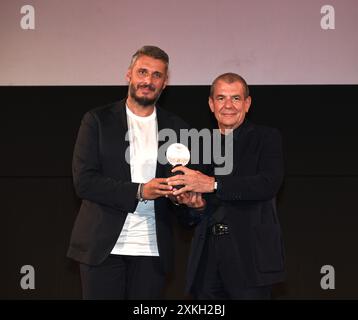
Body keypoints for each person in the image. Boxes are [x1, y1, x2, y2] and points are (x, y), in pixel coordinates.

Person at [67, 45, 192, 299]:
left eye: (156, 75)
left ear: (165, 82)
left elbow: (180, 183)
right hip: (102, 246)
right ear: (129, 75)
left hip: (152, 250)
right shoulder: (97, 120)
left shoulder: (178, 127)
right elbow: (84, 181)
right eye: (142, 72)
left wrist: (185, 199)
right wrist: (139, 191)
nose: (148, 80)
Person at [167, 73, 285, 299]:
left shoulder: (266, 138)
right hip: (206, 258)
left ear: (247, 104)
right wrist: (193, 205)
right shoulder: (199, 145)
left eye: (236, 98)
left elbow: (267, 184)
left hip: (250, 258)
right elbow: (188, 217)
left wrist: (212, 184)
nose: (228, 105)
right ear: (212, 105)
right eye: (221, 98)